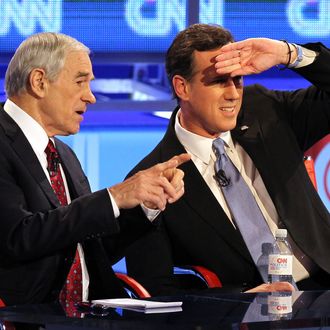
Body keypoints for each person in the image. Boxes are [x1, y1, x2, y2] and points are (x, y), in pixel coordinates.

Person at [125, 23, 330, 296]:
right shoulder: (151, 180)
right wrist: (236, 301)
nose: (233, 93)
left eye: (237, 79)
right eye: (219, 81)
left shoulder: (266, 113)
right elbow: (156, 290)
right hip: (241, 316)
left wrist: (287, 53)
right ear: (182, 87)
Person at [0, 32, 190, 306]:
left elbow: (92, 249)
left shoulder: (64, 155)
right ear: (39, 82)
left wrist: (146, 204)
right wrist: (112, 197)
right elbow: (17, 237)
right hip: (29, 317)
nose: (91, 97)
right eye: (80, 82)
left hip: (95, 312)